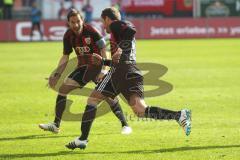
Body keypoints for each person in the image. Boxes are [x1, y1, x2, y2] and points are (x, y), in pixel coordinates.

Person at [66, 7, 192, 150]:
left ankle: (83, 139)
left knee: (92, 99)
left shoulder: (116, 25)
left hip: (119, 73)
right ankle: (179, 115)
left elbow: (131, 29)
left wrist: (121, 50)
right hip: (131, 72)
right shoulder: (117, 33)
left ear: (107, 19)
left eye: (103, 22)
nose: (104, 25)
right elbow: (120, 59)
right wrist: (103, 61)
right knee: (140, 110)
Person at [39, 9, 132, 135]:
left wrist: (104, 70)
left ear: (82, 20)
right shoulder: (68, 35)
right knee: (63, 90)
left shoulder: (92, 31)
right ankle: (56, 125)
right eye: (72, 22)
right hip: (83, 69)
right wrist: (57, 74)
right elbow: (65, 56)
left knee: (108, 97)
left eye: (78, 21)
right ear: (68, 22)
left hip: (98, 68)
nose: (76, 24)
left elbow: (104, 49)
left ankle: (125, 124)